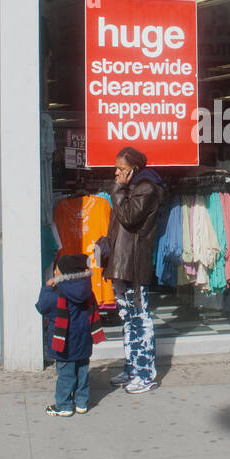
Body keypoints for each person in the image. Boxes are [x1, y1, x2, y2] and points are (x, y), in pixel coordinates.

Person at [97, 146, 165, 394]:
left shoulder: (146, 187)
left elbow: (128, 217)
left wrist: (119, 190)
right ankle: (132, 367)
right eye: (115, 169)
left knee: (140, 318)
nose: (116, 173)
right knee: (128, 318)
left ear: (134, 170)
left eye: (121, 169)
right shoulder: (131, 188)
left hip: (134, 264)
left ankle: (146, 374)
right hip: (122, 263)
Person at [36, 254, 105, 416]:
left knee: (66, 375)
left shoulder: (57, 293)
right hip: (84, 340)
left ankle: (64, 405)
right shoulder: (87, 290)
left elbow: (42, 307)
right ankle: (81, 403)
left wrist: (46, 287)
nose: (54, 271)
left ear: (64, 273)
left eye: (57, 269)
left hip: (65, 342)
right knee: (82, 372)